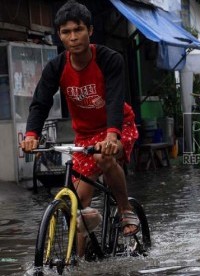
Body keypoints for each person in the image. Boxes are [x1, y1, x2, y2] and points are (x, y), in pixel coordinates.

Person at [20, 0, 139, 255]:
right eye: (66, 32)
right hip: (85, 135)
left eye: (78, 30)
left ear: (90, 31)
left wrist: (111, 135)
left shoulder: (109, 59)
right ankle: (79, 263)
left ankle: (125, 210)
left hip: (118, 126)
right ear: (60, 36)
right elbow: (40, 102)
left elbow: (116, 99)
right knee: (78, 204)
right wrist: (31, 135)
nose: (73, 37)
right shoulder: (56, 67)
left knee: (104, 156)